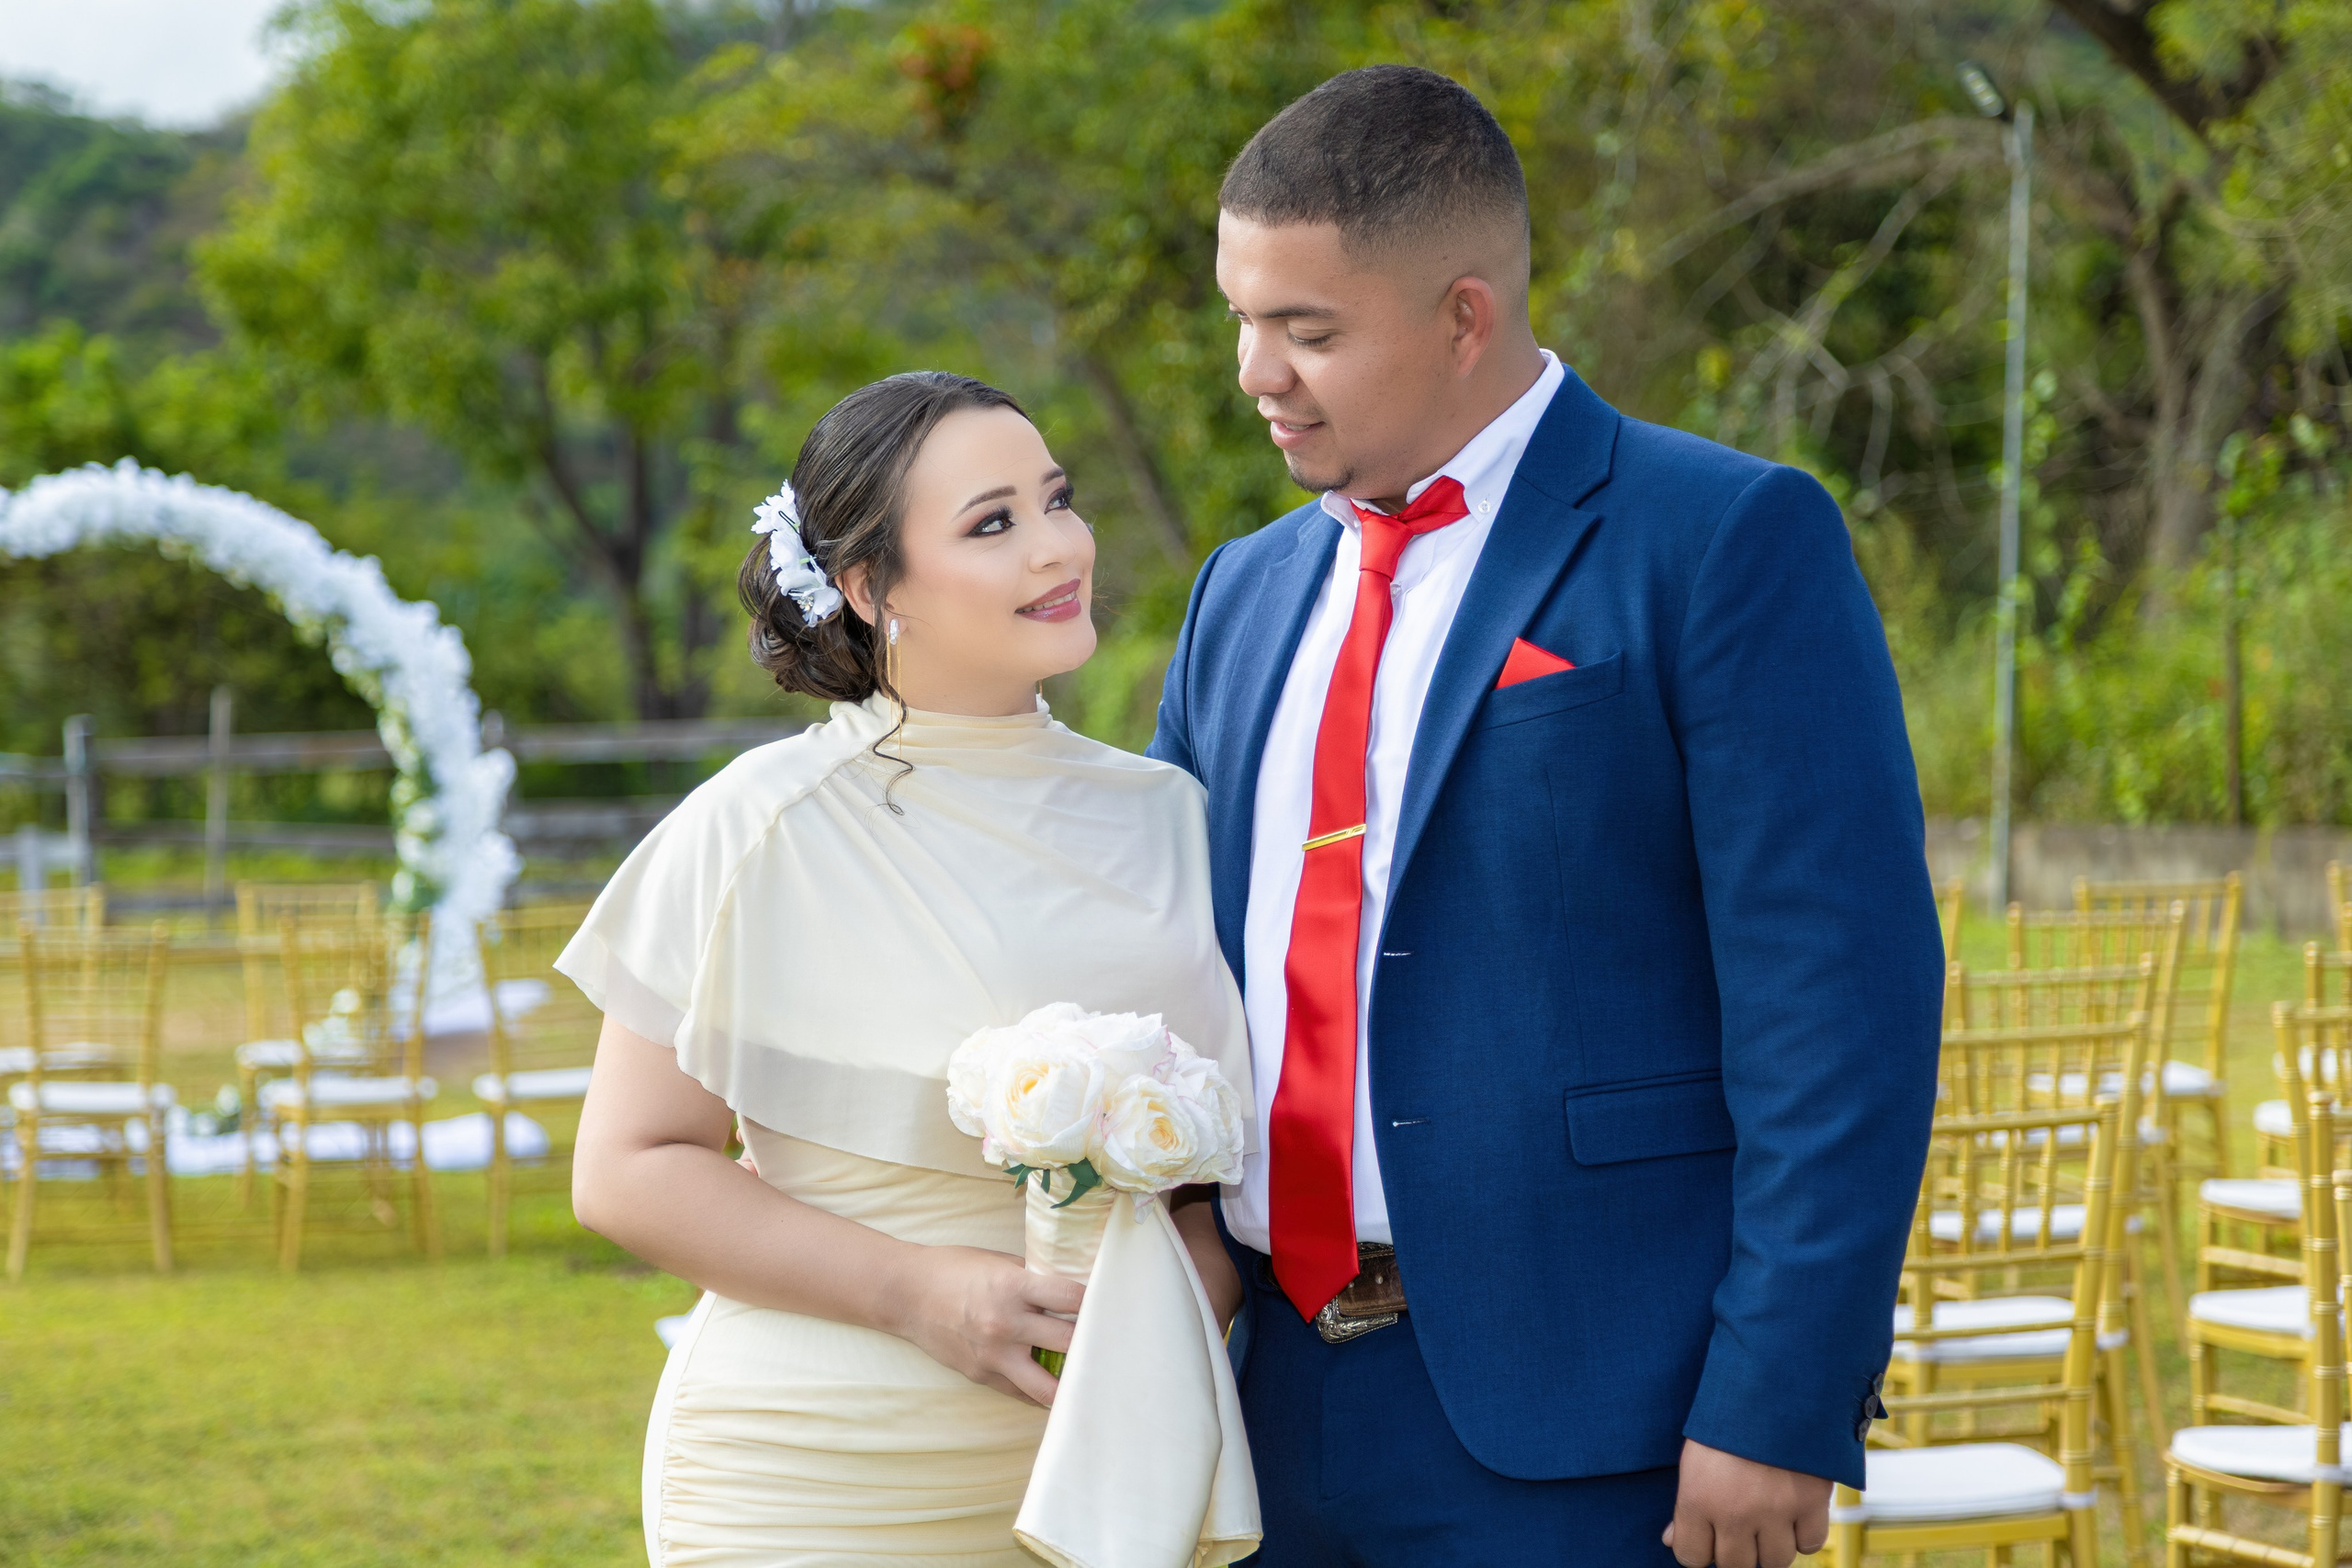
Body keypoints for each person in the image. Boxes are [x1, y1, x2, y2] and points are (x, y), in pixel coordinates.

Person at [1148, 66, 1944, 1568]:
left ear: (1465, 316)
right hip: (1256, 1404)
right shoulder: (1236, 596)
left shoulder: (1723, 538)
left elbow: (1840, 1011)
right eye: (1241, 319)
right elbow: (1163, 960)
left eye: (1308, 330)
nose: (1256, 372)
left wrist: (1779, 1397)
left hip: (1599, 1429)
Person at [562, 371, 1256, 1567]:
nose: (1058, 546)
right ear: (871, 586)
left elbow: (1210, 1187)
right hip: (821, 1470)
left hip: (1108, 1465)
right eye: (993, 523)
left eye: (1057, 500)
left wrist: (1186, 1308)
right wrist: (918, 1293)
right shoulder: (762, 824)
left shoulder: (1172, 816)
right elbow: (628, 1170)